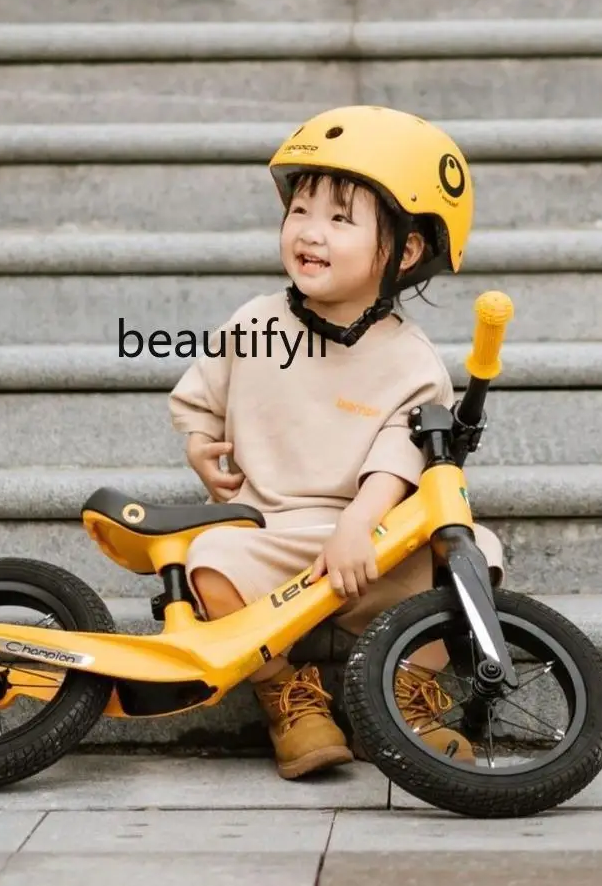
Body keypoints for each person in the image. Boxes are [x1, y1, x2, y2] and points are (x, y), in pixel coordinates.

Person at [167, 105, 505, 780]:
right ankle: (288, 695)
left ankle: (409, 693)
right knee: (208, 559)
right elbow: (200, 393)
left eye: (339, 219)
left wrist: (357, 524)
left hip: (374, 538)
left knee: (471, 555)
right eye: (300, 211)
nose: (309, 232)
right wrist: (201, 442)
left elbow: (402, 454)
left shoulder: (410, 360)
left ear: (404, 250)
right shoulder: (256, 321)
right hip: (276, 530)